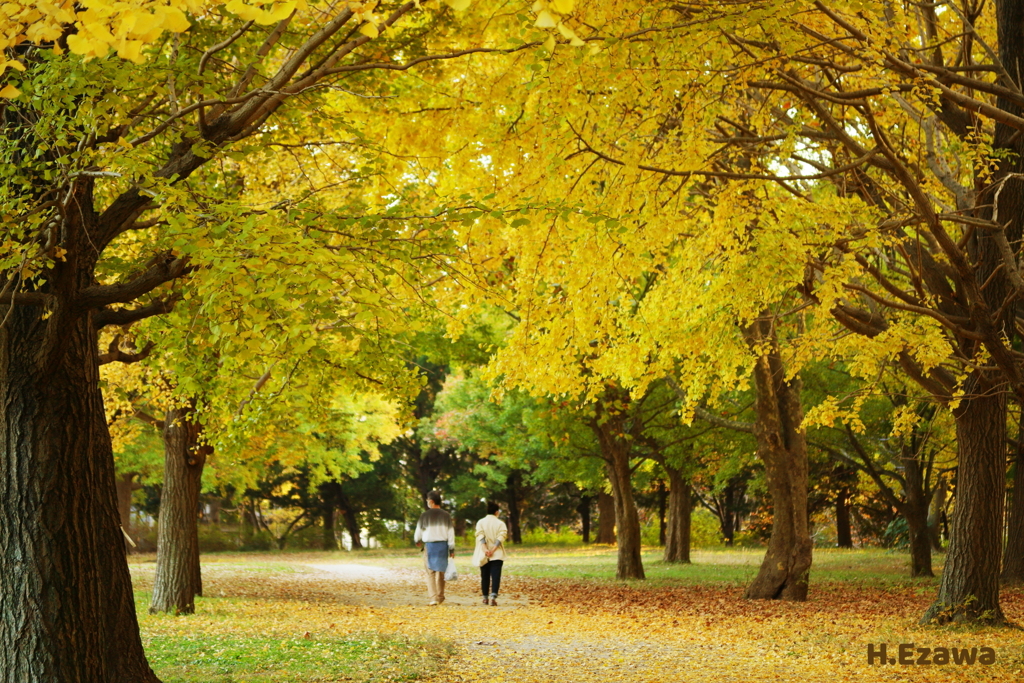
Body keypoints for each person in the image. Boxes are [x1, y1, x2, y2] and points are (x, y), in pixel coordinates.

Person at [414, 490, 455, 606]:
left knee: (430, 572)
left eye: (427, 500)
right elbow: (451, 533)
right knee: (441, 572)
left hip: (430, 546)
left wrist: (417, 540)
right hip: (443, 546)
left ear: (431, 502)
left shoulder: (425, 515)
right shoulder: (446, 515)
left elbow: (418, 531)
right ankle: (440, 596)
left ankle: (433, 598)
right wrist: (452, 549)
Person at [475, 500, 508, 606]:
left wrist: (485, 549)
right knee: (495, 576)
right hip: (497, 554)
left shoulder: (480, 522)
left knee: (484, 575)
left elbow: (480, 536)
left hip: (483, 554)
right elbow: (501, 537)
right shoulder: (500, 523)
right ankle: (493, 596)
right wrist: (493, 550)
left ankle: (485, 597)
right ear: (496, 512)